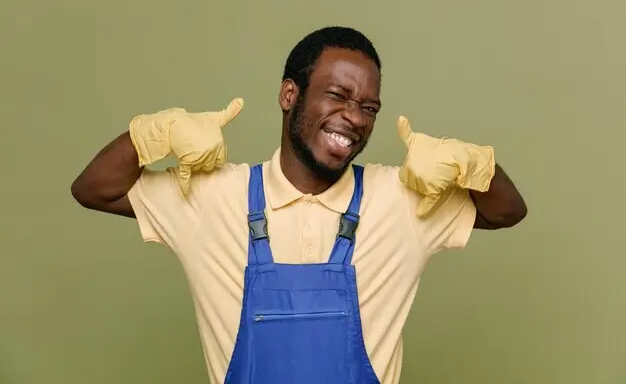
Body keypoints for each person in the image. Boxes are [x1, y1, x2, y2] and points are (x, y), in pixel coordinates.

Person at [71, 26, 527, 384]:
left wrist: (472, 164)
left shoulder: (401, 198)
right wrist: (155, 135)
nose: (355, 118)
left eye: (369, 107)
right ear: (290, 95)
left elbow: (506, 211)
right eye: (338, 96)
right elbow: (94, 189)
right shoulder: (212, 196)